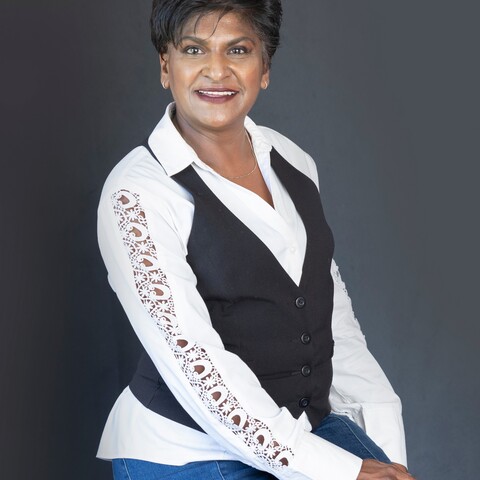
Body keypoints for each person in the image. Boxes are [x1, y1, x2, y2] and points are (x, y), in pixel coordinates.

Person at [97, 1, 415, 479]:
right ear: (166, 66)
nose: (216, 70)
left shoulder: (293, 160)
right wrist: (338, 470)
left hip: (303, 427)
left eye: (238, 50)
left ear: (264, 69)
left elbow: (333, 319)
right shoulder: (136, 193)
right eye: (193, 50)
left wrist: (387, 451)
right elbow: (196, 366)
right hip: (188, 449)